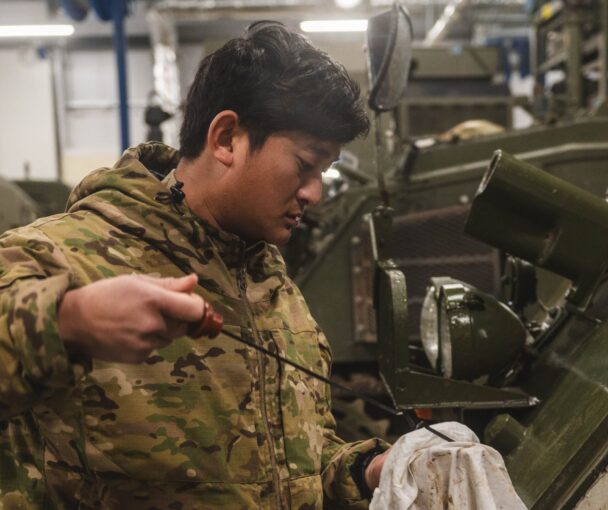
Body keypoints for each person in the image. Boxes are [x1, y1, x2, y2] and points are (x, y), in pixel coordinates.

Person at [0, 21, 389, 509]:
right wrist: (67, 322)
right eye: (305, 164)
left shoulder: (270, 282)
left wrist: (372, 470)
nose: (315, 192)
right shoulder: (56, 256)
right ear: (226, 138)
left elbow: (294, 460)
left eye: (325, 171)